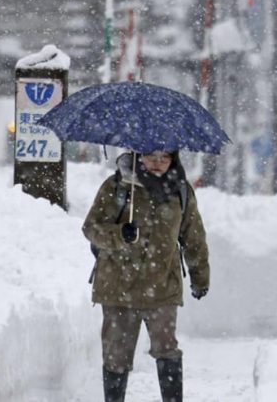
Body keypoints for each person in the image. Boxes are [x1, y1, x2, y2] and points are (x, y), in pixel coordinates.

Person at [83, 150, 210, 402]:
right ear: (139, 156)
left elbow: (193, 238)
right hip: (117, 289)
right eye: (151, 157)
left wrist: (200, 277)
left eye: (165, 158)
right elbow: (91, 227)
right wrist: (120, 234)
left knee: (167, 351)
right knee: (116, 357)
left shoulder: (181, 191)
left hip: (162, 287)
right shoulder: (117, 186)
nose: (158, 164)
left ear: (173, 160)